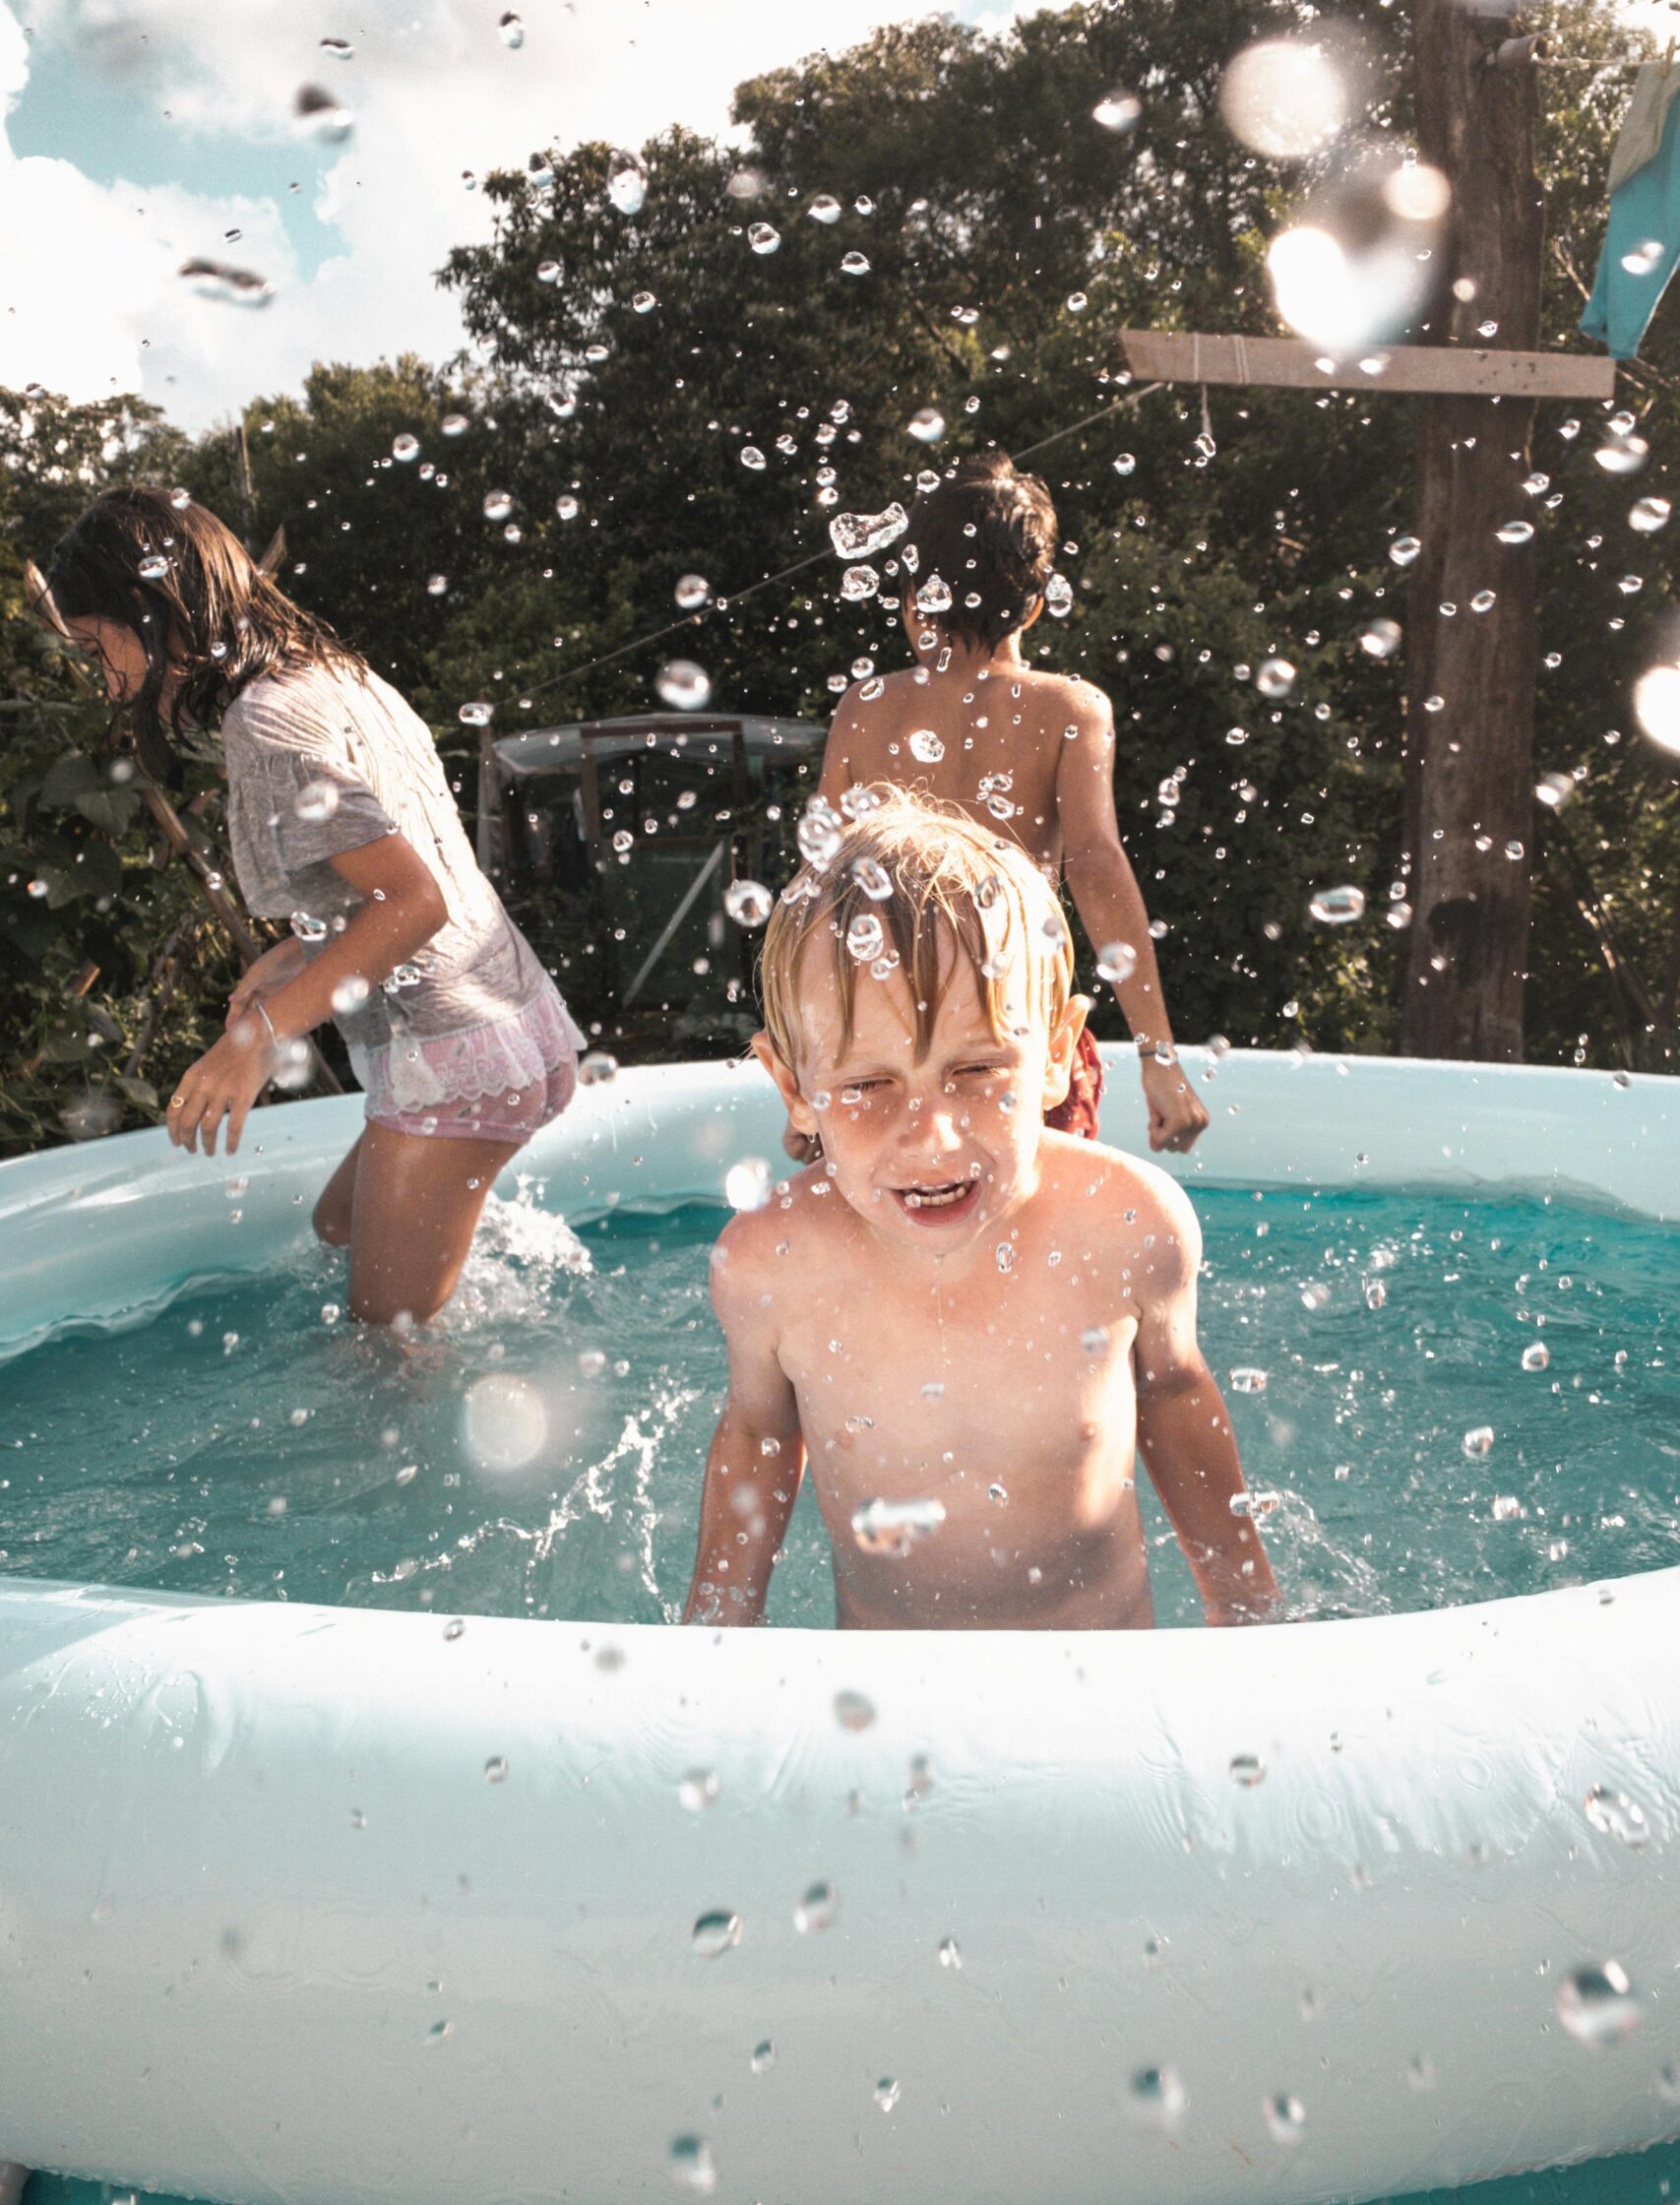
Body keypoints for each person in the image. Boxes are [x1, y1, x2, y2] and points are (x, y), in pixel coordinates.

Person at [684, 792, 1279, 1632]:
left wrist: (1248, 1609)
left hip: (1101, 1671)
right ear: (794, 1090)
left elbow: (1175, 1397)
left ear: (1058, 1058)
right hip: (882, 1692)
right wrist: (714, 1631)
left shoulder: (1126, 1224)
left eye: (975, 1070)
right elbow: (759, 1438)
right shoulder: (769, 1263)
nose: (930, 1137)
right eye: (865, 1086)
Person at [37, 485, 585, 1326]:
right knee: (338, 1231)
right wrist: (300, 956)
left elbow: (413, 903)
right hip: (506, 1023)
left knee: (381, 1350)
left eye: (92, 644)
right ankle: (473, 1288)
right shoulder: (332, 677)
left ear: (143, 609)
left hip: (457, 1056)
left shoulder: (265, 720)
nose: (98, 676)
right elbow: (420, 867)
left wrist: (255, 1041)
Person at [816, 449, 1210, 1155]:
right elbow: (1096, 867)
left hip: (880, 1044)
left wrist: (808, 1064)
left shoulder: (864, 708)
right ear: (1033, 601)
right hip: (1012, 1030)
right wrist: (1158, 1055)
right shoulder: (1067, 708)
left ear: (914, 593)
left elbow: (824, 885)